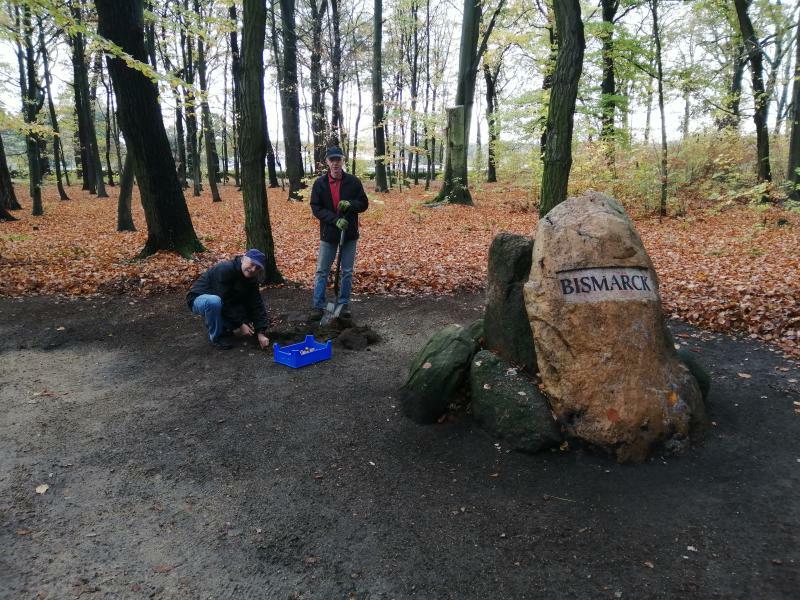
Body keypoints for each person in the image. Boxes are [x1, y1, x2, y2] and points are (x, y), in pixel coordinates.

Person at [310, 145, 369, 320]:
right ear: (327, 162)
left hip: (349, 234)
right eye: (332, 160)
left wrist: (351, 204)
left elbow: (364, 203)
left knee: (347, 271)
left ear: (343, 161)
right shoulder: (320, 184)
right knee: (322, 271)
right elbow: (316, 208)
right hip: (329, 234)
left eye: (338, 159)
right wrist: (335, 220)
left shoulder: (353, 182)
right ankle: (318, 305)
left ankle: (343, 305)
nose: (335, 163)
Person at [187, 249, 270, 350]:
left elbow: (256, 304)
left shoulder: (252, 279)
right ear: (243, 259)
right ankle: (217, 337)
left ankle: (225, 327)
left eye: (257, 268)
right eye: (252, 264)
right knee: (214, 301)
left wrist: (260, 332)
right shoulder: (225, 269)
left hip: (222, 300)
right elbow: (224, 299)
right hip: (199, 299)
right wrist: (241, 324)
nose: (253, 269)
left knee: (241, 305)